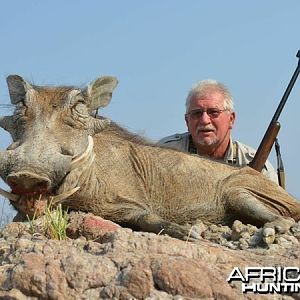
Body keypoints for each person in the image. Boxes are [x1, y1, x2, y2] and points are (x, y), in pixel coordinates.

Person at [158, 79, 278, 183]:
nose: (204, 120)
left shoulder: (258, 167)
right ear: (186, 121)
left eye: (213, 112)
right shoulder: (162, 156)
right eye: (196, 113)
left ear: (231, 119)